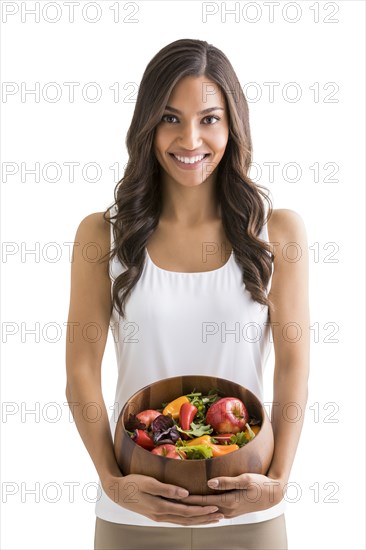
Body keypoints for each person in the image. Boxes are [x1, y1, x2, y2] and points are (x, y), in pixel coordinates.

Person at [65, 38, 310, 550]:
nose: (190, 138)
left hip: (248, 510)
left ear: (233, 125)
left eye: (210, 119)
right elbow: (81, 372)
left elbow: (293, 365)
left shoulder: (278, 232)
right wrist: (113, 484)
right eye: (171, 118)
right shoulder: (101, 236)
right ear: (147, 125)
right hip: (133, 512)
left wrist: (278, 480)